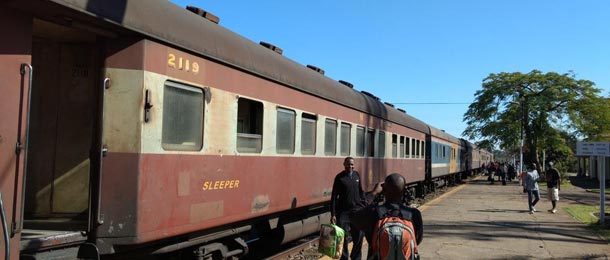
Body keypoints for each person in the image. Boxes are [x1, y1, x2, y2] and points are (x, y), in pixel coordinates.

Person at [350, 173, 423, 260]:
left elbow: (353, 214)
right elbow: (417, 240)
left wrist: (373, 193)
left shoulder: (373, 213)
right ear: (404, 191)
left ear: (383, 191)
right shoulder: (414, 214)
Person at [331, 157, 365, 260]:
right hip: (343, 212)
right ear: (344, 164)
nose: (350, 166)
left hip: (357, 211)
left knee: (359, 236)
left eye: (352, 165)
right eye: (348, 164)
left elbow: (361, 191)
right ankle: (344, 258)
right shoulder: (339, 178)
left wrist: (364, 205)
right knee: (342, 238)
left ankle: (356, 257)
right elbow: (334, 197)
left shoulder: (356, 175)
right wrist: (333, 214)